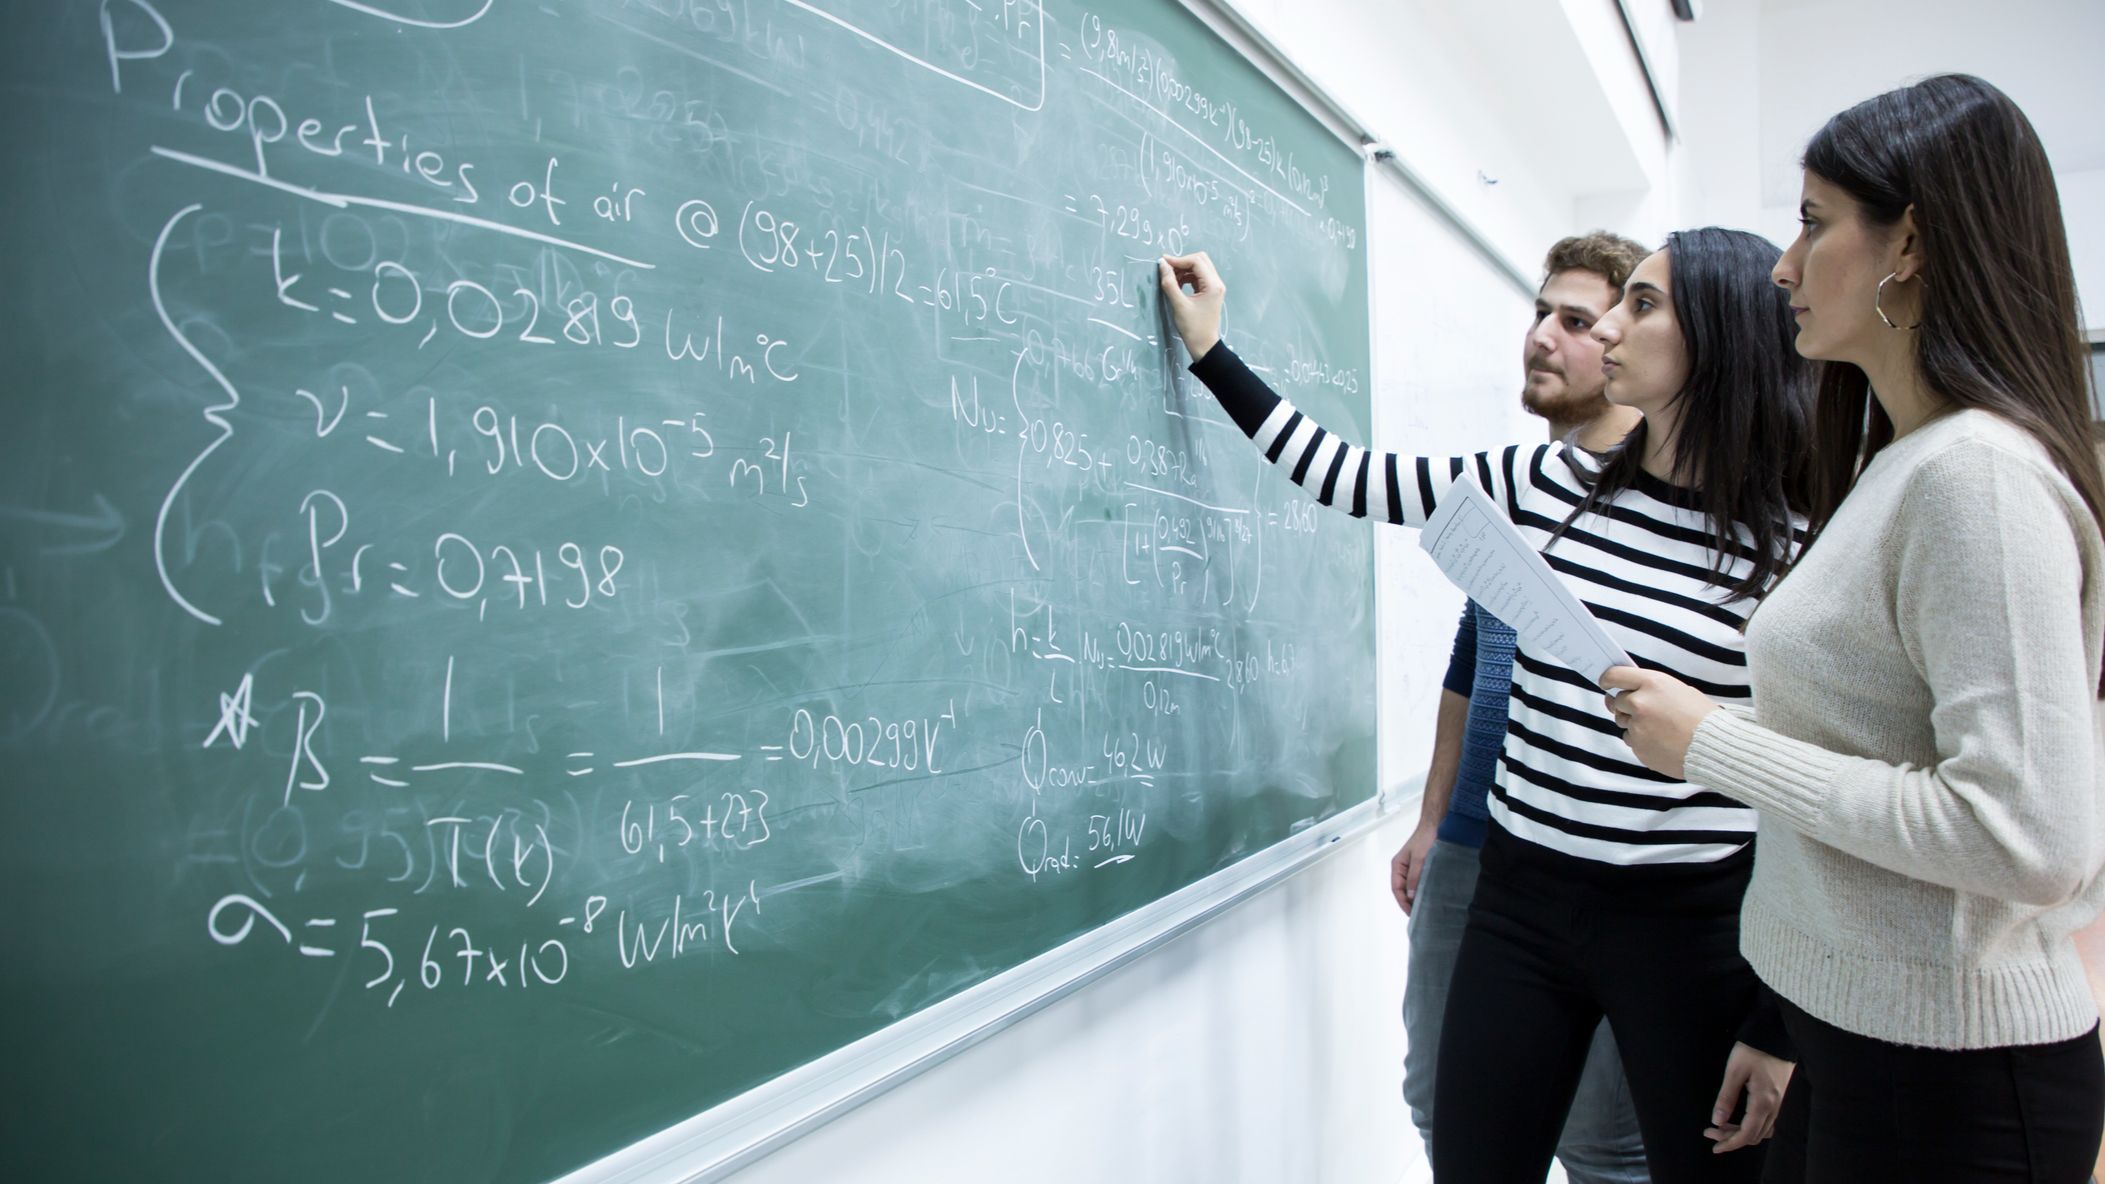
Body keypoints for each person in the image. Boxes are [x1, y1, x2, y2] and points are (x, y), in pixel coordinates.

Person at [1159, 224, 1812, 1182]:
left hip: (1693, 925)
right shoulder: (1545, 483)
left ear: (1717, 335)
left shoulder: (1798, 548)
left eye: (1640, 304)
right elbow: (1346, 475)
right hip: (1523, 900)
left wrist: (1775, 1018)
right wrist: (1212, 351)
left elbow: (1811, 790)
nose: (1608, 333)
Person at [1603, 74, 2105, 1183]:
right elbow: (1871, 737)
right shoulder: (1896, 461)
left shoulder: (1973, 477)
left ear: (1910, 244)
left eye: (1812, 222)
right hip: (1857, 1037)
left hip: (1954, 1085)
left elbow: (2027, 835)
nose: (1783, 264)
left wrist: (1712, 745)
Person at [1391, 232, 1650, 1183]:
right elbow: (1474, 655)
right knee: (1435, 1100)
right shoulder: (1514, 490)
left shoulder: (1660, 498)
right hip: (1471, 840)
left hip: (1584, 856)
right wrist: (1430, 819)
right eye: (1539, 313)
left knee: (1597, 1140)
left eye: (1574, 320)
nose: (1539, 336)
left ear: (1626, 341)